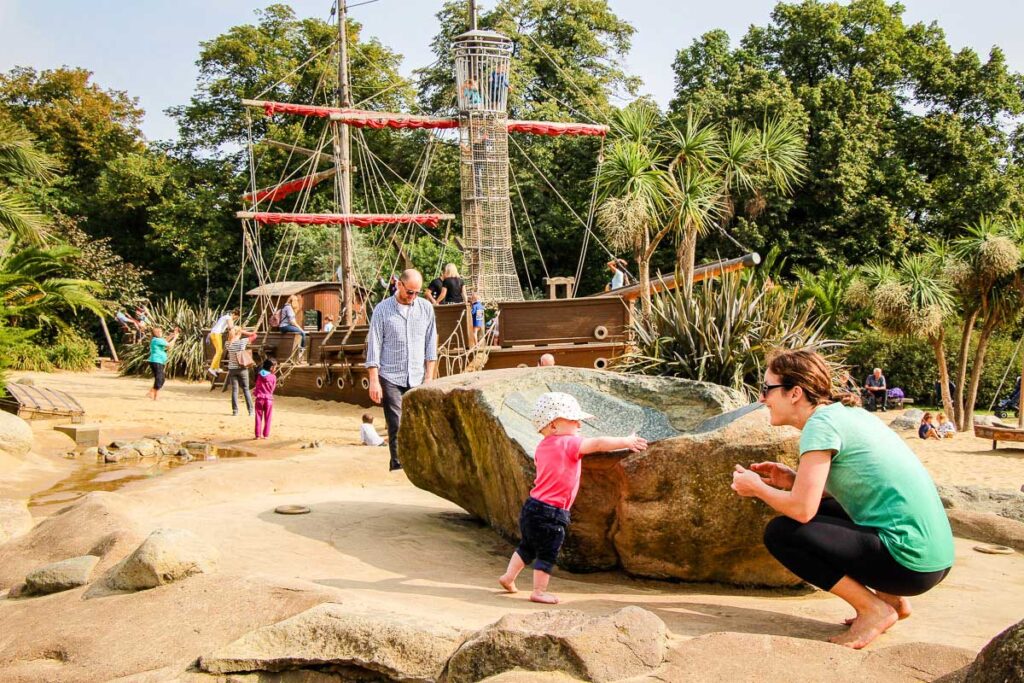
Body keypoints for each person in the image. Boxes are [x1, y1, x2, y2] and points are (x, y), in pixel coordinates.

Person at [731, 349, 953, 649]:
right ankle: (893, 600)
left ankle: (874, 609)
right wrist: (792, 480)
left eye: (767, 388)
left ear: (794, 393)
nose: (762, 398)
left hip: (910, 565)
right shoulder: (847, 414)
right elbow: (859, 488)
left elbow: (801, 510)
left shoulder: (820, 426)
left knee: (782, 534)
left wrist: (756, 488)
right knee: (832, 507)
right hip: (935, 559)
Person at [498, 392, 648, 604]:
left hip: (532, 507)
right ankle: (538, 591)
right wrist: (626, 441)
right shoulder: (568, 443)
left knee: (527, 546)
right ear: (553, 426)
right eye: (573, 419)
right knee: (548, 552)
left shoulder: (542, 446)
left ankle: (508, 577)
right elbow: (597, 444)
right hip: (552, 512)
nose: (579, 424)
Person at [365, 269, 438, 471]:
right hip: (390, 375)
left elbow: (431, 345)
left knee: (418, 422)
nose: (413, 296)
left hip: (417, 375)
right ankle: (398, 464)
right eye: (409, 292)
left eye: (417, 292)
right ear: (399, 285)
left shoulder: (426, 309)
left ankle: (418, 464)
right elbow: (374, 346)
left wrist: (429, 377)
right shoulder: (382, 310)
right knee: (396, 422)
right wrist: (374, 380)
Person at [225, 326, 258, 417]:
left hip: (232, 369)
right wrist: (243, 331)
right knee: (246, 389)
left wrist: (236, 332)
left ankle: (235, 411)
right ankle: (251, 411)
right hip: (242, 368)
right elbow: (255, 335)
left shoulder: (228, 344)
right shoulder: (242, 342)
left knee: (234, 391)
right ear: (239, 333)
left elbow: (230, 338)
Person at [146, 326, 179, 401]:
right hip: (156, 361)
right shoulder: (156, 340)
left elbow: (165, 341)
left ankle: (155, 395)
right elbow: (169, 345)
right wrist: (175, 338)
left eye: (160, 331)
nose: (159, 333)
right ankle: (152, 392)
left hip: (159, 361)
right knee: (160, 378)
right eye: (157, 332)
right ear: (154, 333)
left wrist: (171, 335)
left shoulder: (158, 340)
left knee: (160, 378)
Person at [208, 309, 239, 377]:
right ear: (234, 314)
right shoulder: (228, 317)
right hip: (216, 334)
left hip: (214, 334)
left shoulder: (225, 317)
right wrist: (238, 328)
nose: (235, 319)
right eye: (236, 317)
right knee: (219, 351)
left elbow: (228, 327)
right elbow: (231, 327)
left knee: (219, 351)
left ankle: (216, 367)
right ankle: (212, 368)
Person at [253, 357, 278, 439]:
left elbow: (257, 386)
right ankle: (266, 435)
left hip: (259, 398)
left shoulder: (260, 375)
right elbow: (272, 389)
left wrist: (256, 394)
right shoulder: (273, 377)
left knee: (258, 417)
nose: (275, 369)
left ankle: (257, 435)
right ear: (271, 368)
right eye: (275, 367)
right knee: (268, 418)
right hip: (269, 399)